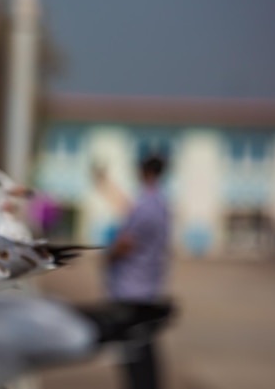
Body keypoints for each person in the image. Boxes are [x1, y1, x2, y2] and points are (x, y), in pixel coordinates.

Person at [105, 155, 170, 389]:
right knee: (144, 349)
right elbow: (126, 206)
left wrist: (109, 256)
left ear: (144, 172)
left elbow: (126, 243)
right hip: (147, 285)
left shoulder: (146, 206)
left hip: (132, 289)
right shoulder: (159, 203)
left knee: (134, 355)